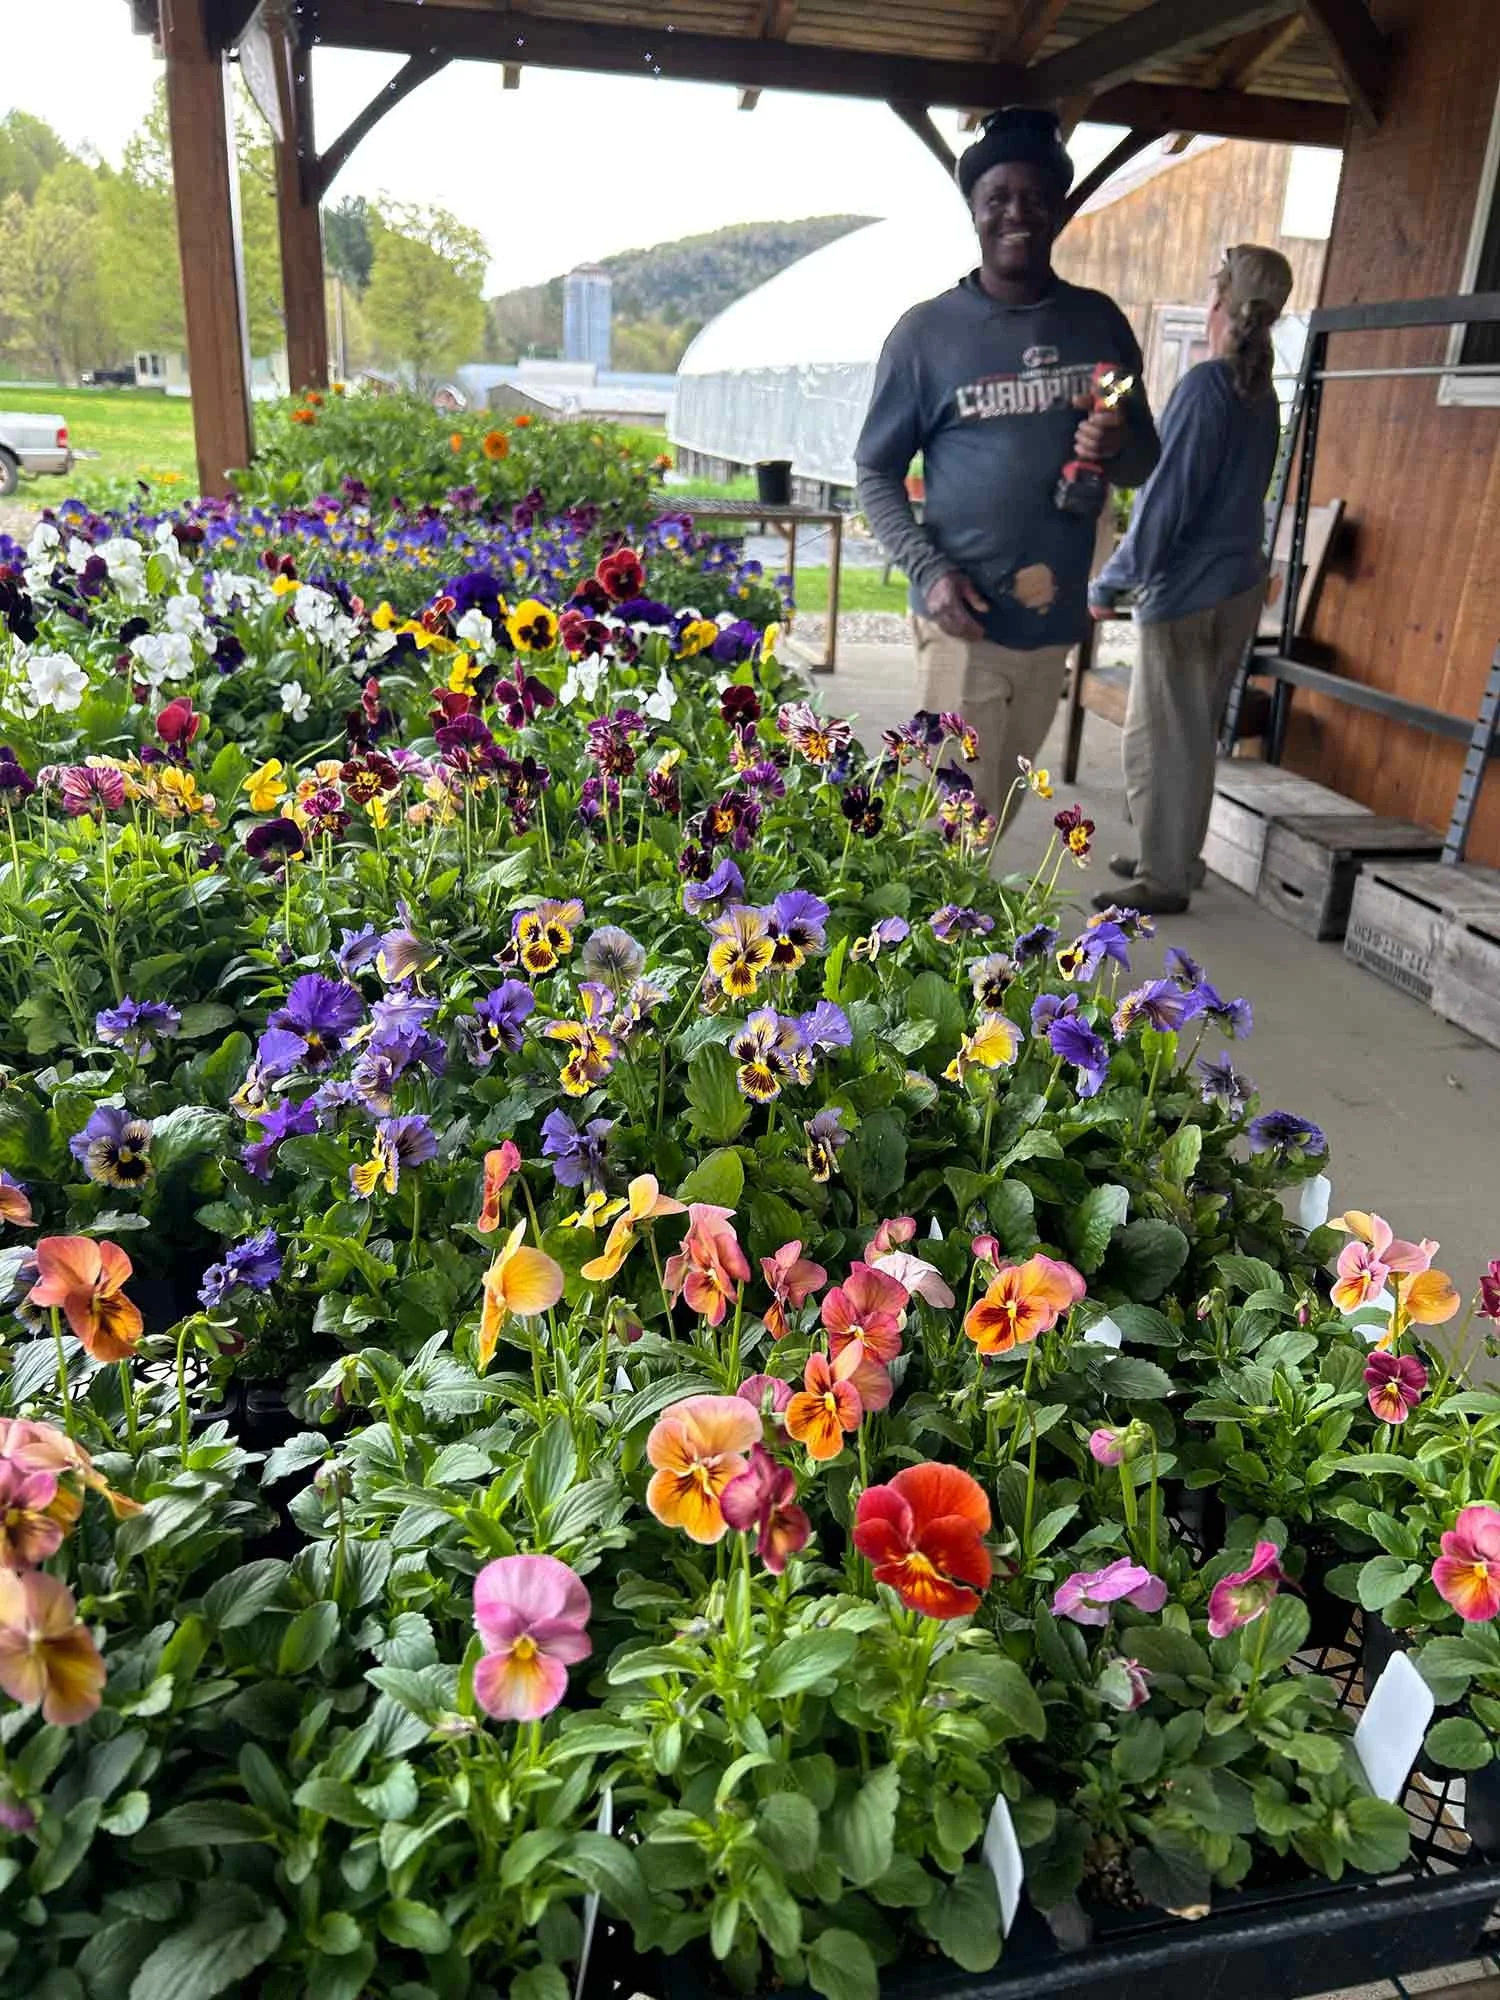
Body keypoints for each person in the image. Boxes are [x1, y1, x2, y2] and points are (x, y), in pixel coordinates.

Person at [856, 107, 1160, 823]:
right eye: (999, 198)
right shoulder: (927, 335)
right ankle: (934, 937)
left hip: (1051, 621)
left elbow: (1141, 456)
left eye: (1034, 197)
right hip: (961, 618)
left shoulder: (1099, 324)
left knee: (998, 813)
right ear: (975, 210)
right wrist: (928, 573)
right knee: (950, 824)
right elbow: (875, 473)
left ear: (1057, 209)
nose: (1016, 213)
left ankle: (963, 933)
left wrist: (1115, 447)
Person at [1088, 243, 1296, 916]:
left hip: (1187, 595)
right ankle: (1174, 855)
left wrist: (1111, 582)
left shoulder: (1207, 388)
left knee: (1158, 736)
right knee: (1194, 730)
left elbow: (1164, 503)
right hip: (1237, 588)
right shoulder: (1260, 393)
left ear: (1219, 304)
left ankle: (1164, 879)